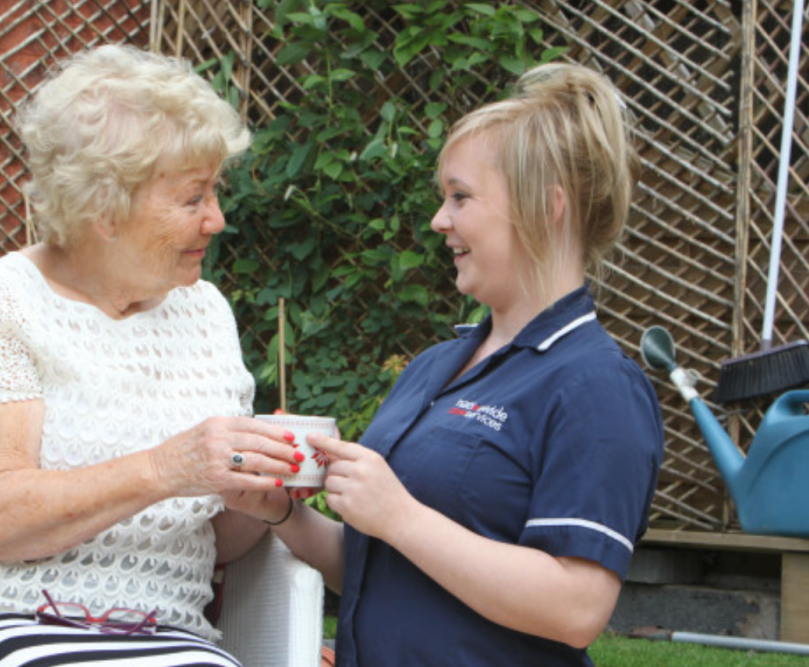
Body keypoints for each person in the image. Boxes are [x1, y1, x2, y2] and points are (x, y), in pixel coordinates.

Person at [232, 63, 664, 666]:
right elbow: (379, 570)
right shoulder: (436, 366)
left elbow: (576, 609)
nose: (440, 219)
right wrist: (280, 512)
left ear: (547, 206)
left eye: (461, 197)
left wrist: (399, 515)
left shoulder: (595, 387)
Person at [0, 44, 304, 667]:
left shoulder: (206, 312)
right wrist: (169, 467)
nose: (216, 219)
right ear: (104, 208)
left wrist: (264, 499)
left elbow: (214, 546)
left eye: (214, 191)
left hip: (167, 636)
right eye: (193, 198)